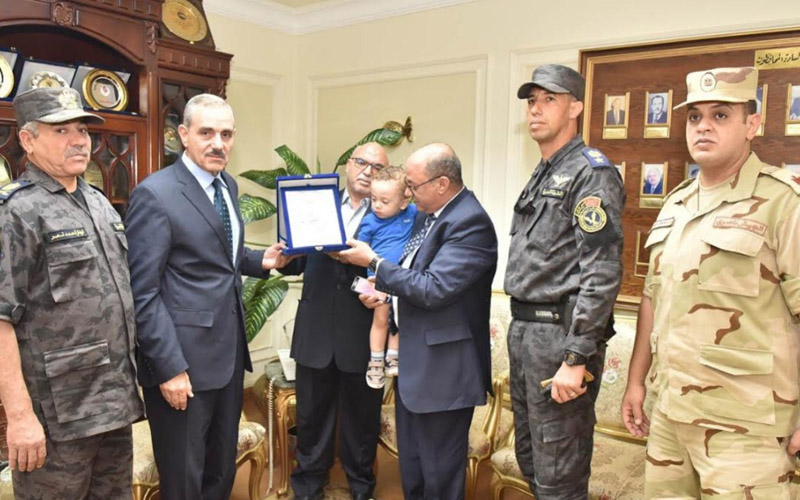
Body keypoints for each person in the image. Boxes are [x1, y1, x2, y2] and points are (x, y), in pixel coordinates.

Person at [621, 66, 800, 499]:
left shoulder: (783, 201)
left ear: (752, 124)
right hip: (671, 414)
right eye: (694, 116)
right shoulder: (677, 203)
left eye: (720, 115)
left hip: (746, 426)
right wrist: (636, 381)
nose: (703, 126)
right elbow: (653, 298)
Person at [125, 93, 291, 500]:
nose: (218, 144)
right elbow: (142, 292)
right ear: (184, 135)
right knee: (184, 479)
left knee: (220, 470)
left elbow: (217, 254)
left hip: (228, 358)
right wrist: (169, 369)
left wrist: (260, 260)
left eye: (227, 134)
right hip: (182, 364)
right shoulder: (155, 195)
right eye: (207, 133)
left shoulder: (226, 185)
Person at [0, 87, 144, 499]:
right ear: (28, 140)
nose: (80, 140)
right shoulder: (16, 212)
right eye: (61, 130)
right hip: (58, 416)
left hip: (113, 403)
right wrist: (20, 416)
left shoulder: (98, 203)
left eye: (82, 129)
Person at [341, 143, 498, 500]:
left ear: (442, 184)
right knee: (413, 471)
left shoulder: (469, 222)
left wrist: (375, 263)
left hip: (445, 373)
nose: (409, 193)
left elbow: (434, 288)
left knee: (439, 478)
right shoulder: (429, 215)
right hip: (417, 367)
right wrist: (383, 293)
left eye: (413, 185)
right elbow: (412, 277)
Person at [506, 64, 624, 499]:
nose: (536, 110)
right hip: (526, 330)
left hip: (559, 335)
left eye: (549, 100)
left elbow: (601, 270)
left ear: (575, 108)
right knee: (531, 460)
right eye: (532, 101)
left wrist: (576, 357)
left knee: (560, 471)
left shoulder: (591, 172)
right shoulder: (545, 170)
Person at [282, 143, 389, 500]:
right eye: (361, 162)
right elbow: (297, 263)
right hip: (315, 333)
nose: (368, 171)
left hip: (363, 334)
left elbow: (397, 269)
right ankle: (308, 489)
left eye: (377, 167)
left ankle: (361, 489)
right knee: (311, 420)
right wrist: (288, 247)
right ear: (348, 165)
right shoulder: (318, 204)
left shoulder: (392, 214)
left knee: (362, 424)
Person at [357, 165, 417, 389]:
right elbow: (360, 249)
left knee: (398, 319)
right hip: (377, 279)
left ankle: (393, 355)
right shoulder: (369, 221)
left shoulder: (413, 213)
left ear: (404, 201)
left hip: (402, 278)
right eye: (373, 199)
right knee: (381, 319)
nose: (377, 205)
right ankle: (375, 360)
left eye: (384, 201)